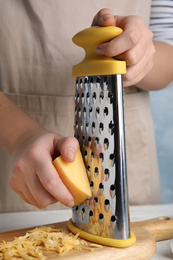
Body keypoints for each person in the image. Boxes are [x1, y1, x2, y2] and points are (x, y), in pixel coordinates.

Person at [0, 0, 172, 213]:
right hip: (8, 144)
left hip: (124, 157)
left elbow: (168, 48)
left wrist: (139, 56)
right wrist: (19, 136)